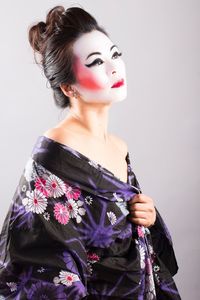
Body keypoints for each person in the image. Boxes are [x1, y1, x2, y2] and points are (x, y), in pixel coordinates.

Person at [0, 5, 181, 299]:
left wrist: (146, 215)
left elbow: (121, 226)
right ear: (68, 87)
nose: (114, 68)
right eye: (96, 62)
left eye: (115, 54)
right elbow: (42, 265)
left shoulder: (119, 146)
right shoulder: (53, 157)